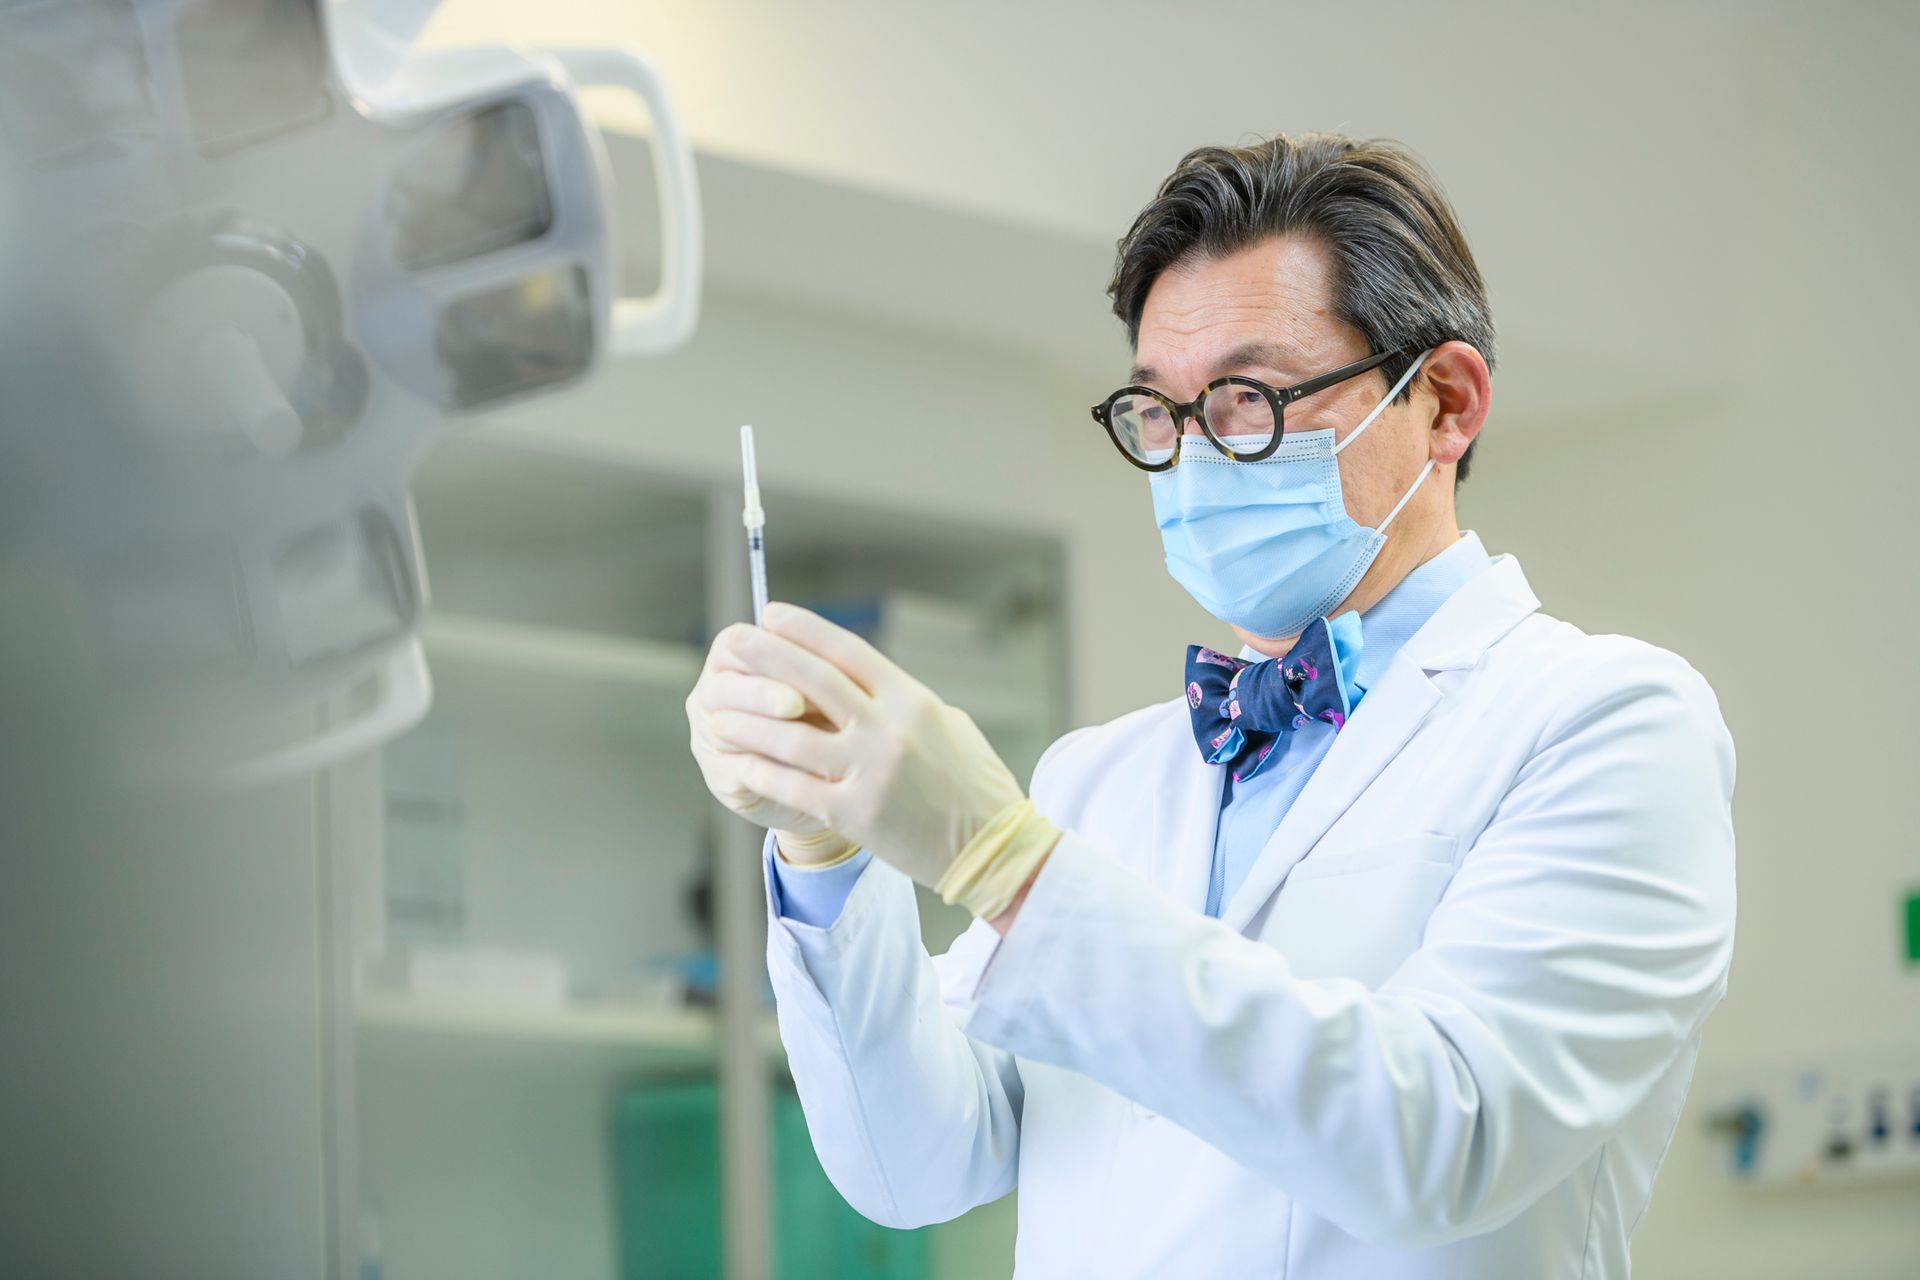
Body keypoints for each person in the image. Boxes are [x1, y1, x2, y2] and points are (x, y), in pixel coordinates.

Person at [685, 132, 1735, 1278]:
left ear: (1444, 399)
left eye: (1247, 399)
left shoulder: (1608, 722)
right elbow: (913, 1164)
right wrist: (827, 840)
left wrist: (1009, 865)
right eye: (1160, 412)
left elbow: (1444, 1134)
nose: (1193, 458)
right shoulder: (1100, 778)